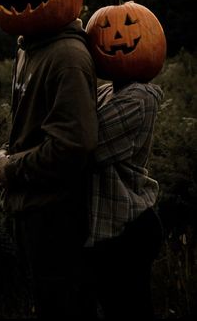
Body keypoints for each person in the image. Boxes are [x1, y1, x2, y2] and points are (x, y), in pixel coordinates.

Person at [0, 0, 98, 320]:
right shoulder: (29, 47)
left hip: (55, 218)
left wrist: (12, 168)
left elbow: (72, 144)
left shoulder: (66, 56)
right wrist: (4, 154)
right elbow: (33, 126)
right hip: (29, 210)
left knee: (62, 308)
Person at [85, 78, 164, 321]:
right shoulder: (106, 90)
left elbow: (79, 146)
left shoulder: (139, 96)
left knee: (128, 309)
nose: (116, 38)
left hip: (127, 229)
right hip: (107, 229)